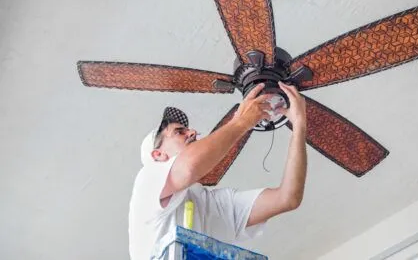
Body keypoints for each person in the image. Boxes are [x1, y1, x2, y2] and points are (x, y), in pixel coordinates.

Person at [128, 82, 307, 260]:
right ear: (158, 155)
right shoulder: (147, 181)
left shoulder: (210, 204)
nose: (192, 132)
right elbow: (190, 167)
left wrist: (299, 126)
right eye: (179, 132)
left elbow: (287, 198)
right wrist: (242, 121)